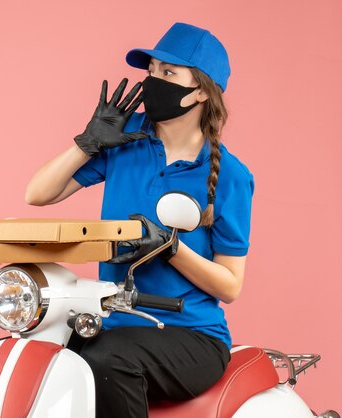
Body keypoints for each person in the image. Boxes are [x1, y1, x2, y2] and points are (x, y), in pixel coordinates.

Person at [25, 22, 254, 418]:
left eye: (168, 73)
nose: (152, 81)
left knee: (107, 361)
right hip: (112, 321)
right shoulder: (127, 139)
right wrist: (87, 143)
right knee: (38, 357)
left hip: (192, 336)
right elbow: (38, 194)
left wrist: (170, 248)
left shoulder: (230, 175)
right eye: (151, 70)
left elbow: (230, 286)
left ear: (200, 90)